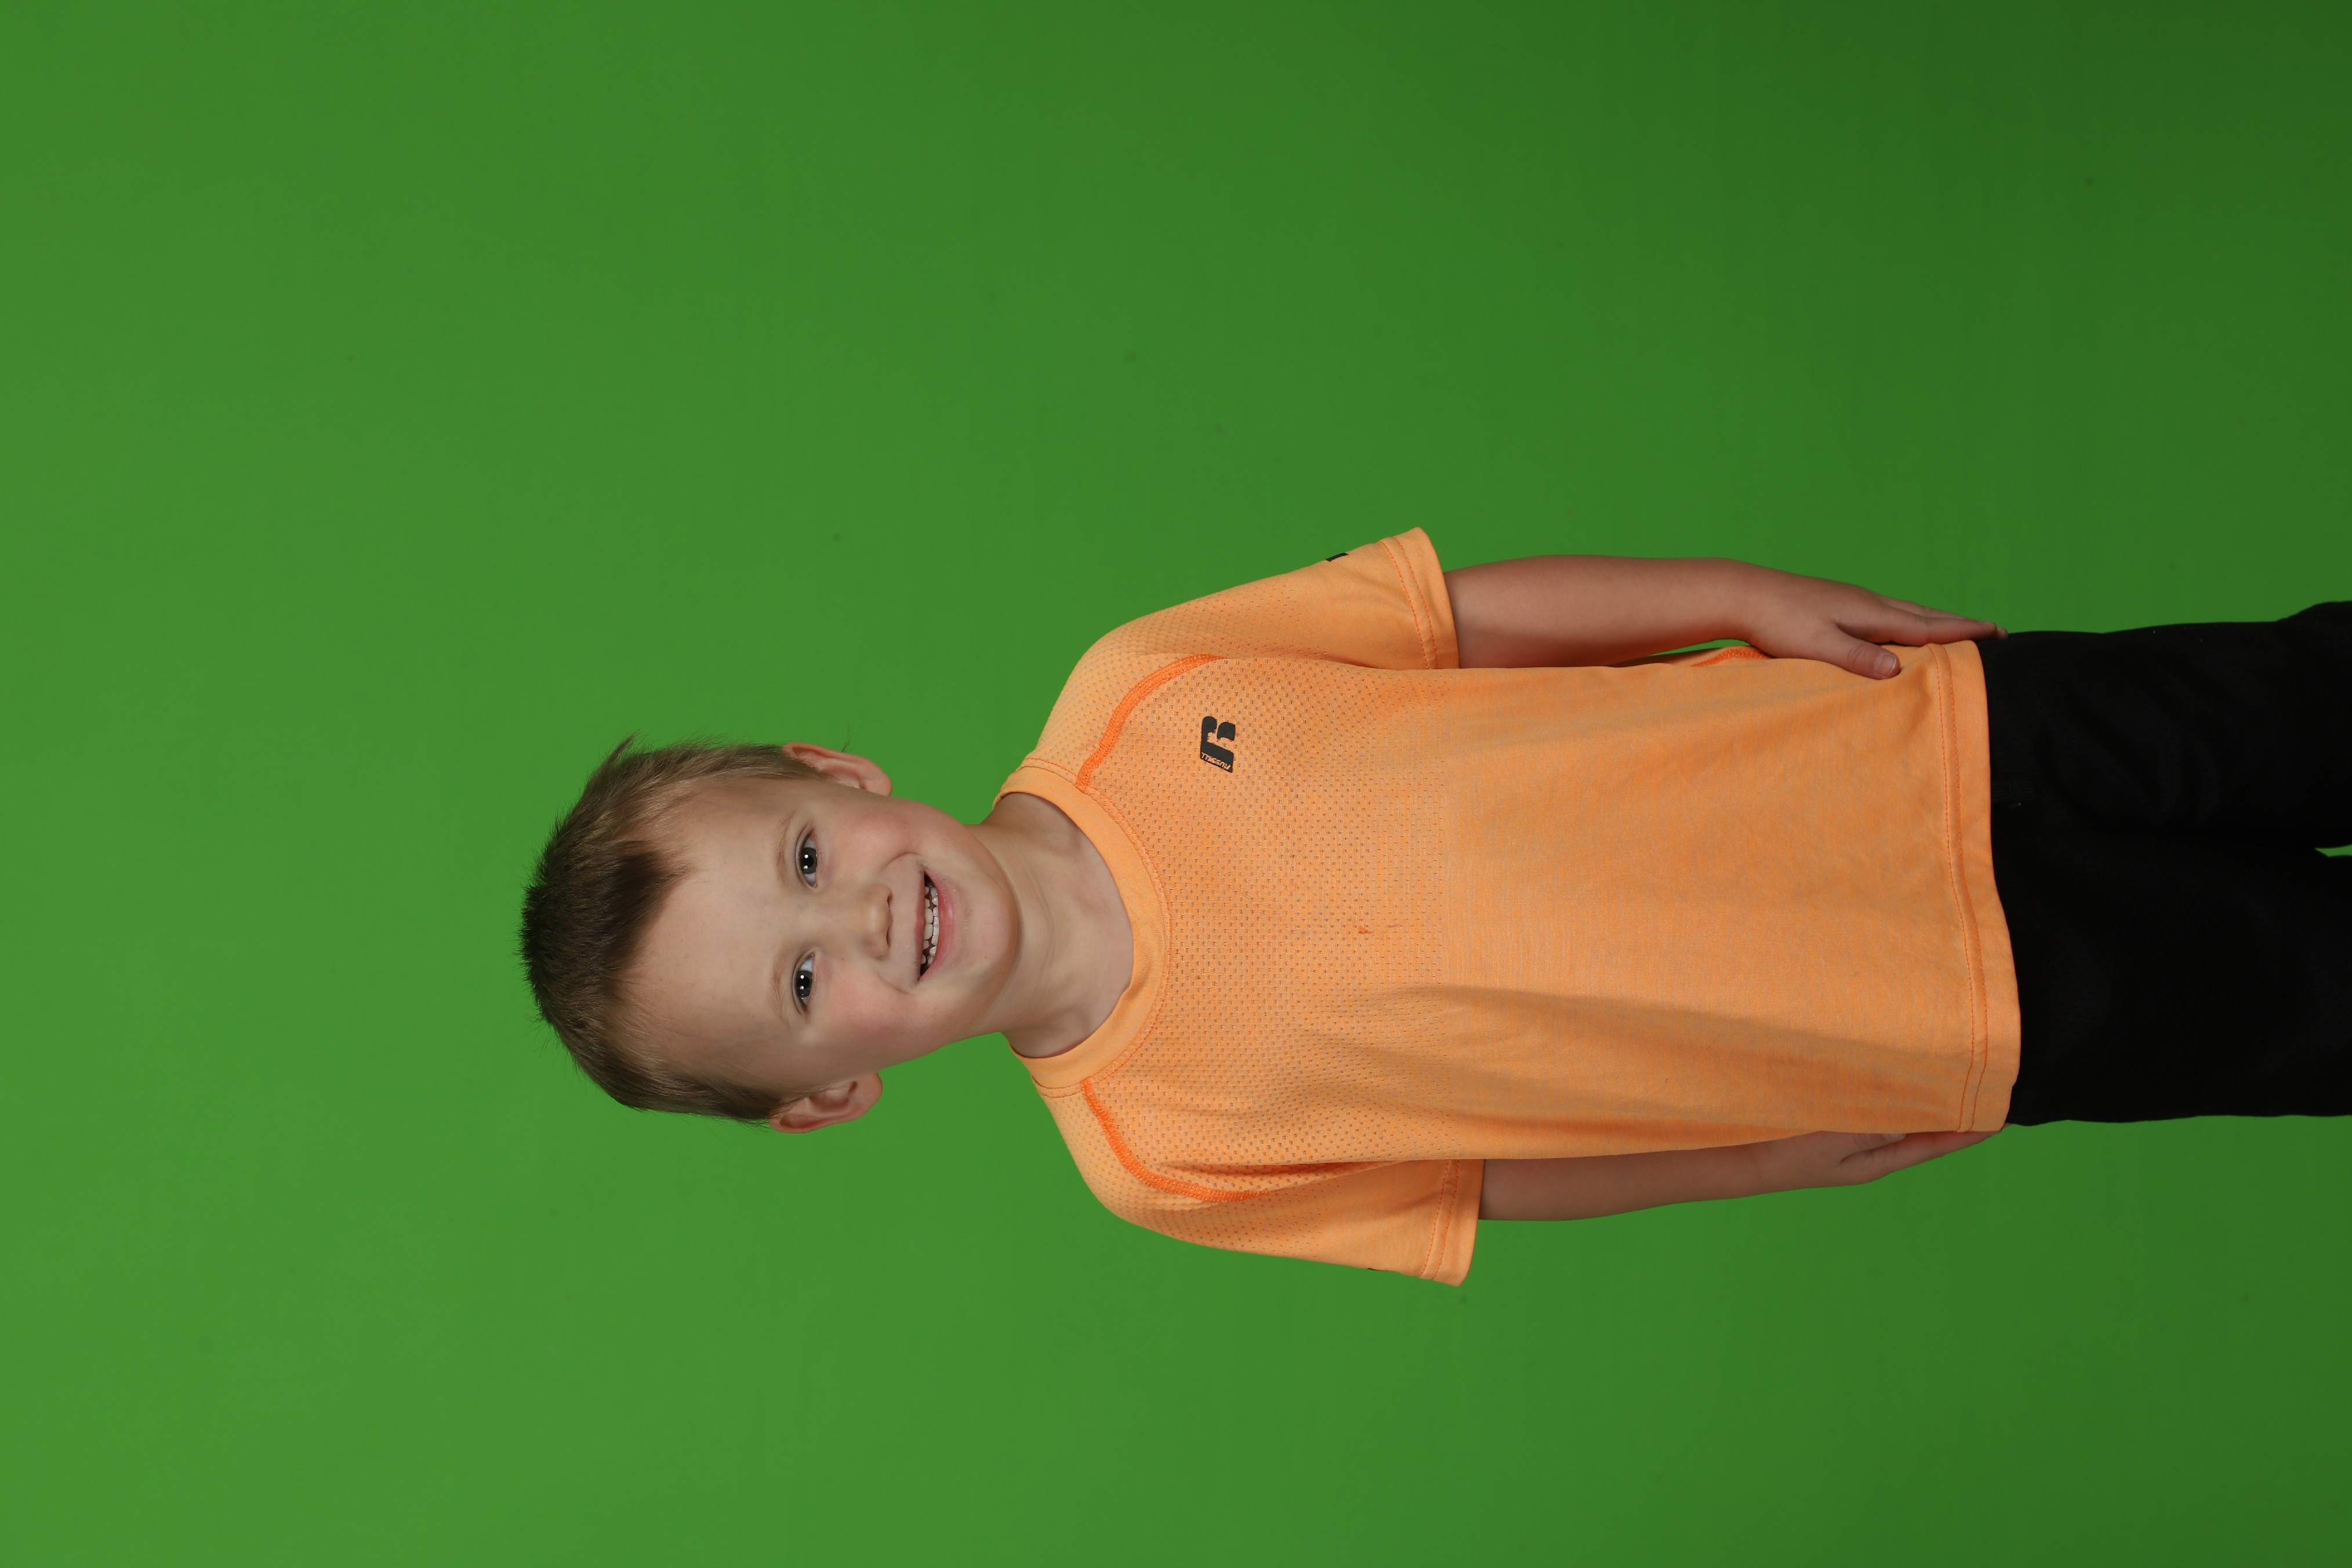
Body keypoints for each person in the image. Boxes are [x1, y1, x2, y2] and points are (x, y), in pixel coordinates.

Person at [519, 532, 2350, 1282]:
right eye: (804, 988)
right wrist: (1766, 1160)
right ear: (833, 1094)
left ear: (837, 776)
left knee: (2301, 708)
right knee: (2308, 1000)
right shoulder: (1158, 1157)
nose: (857, 924)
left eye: (806, 865)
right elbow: (1480, 1182)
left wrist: (1734, 598)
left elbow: (1455, 619)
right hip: (1928, 1005)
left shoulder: (1140, 687)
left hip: (1902, 746)